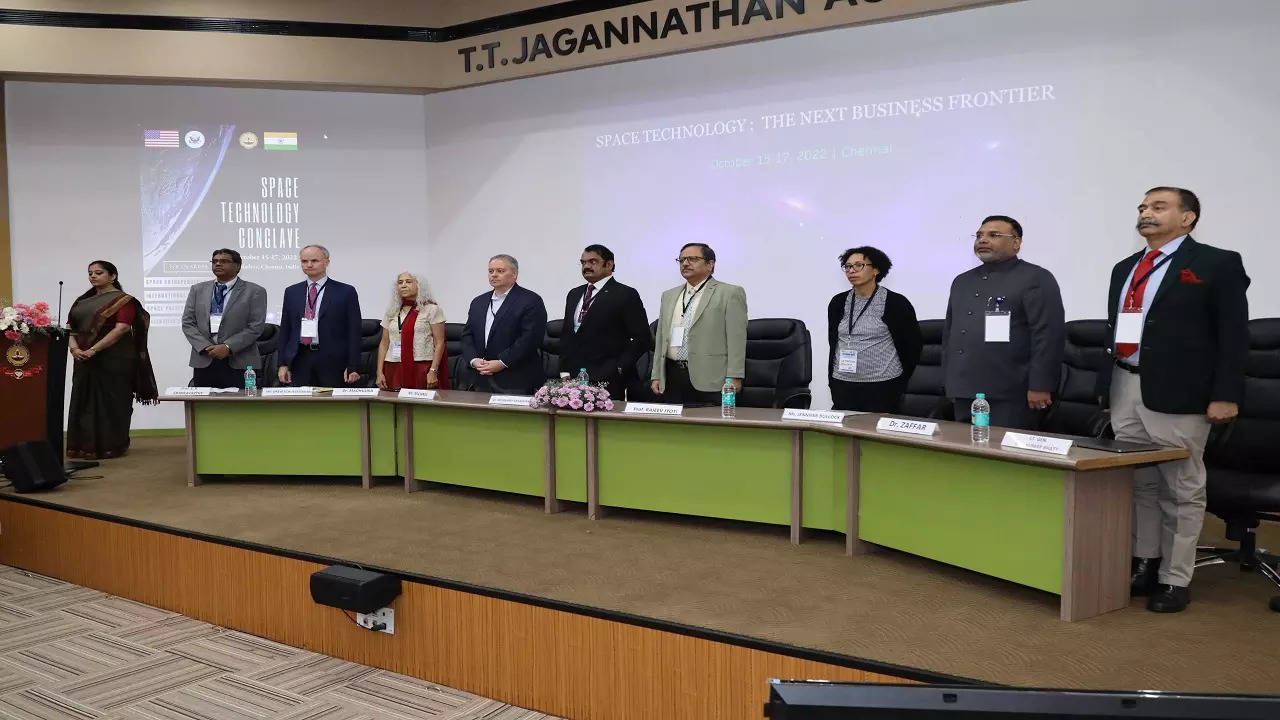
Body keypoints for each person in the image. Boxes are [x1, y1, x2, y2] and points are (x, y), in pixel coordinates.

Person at [1097, 187, 1249, 613]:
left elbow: (1233, 336)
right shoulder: (1126, 267)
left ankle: (1175, 577)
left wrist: (1225, 395)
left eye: (1158, 206)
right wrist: (1105, 389)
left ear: (1188, 218)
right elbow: (1115, 331)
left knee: (1181, 488)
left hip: (1181, 394)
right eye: (1143, 207)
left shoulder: (1216, 263)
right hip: (1125, 386)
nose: (1146, 213)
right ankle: (1145, 562)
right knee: (1141, 484)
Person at [942, 215, 1065, 429]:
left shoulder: (1036, 278)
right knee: (966, 455)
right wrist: (950, 383)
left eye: (994, 235)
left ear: (1016, 243)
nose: (983, 239)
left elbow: (1047, 335)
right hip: (964, 390)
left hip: (1012, 391)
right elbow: (950, 334)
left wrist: (1041, 385)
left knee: (1004, 456)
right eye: (979, 235)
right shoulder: (962, 281)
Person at [65, 260, 158, 459]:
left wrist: (93, 350)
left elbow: (121, 328)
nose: (93, 276)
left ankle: (111, 446)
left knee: (112, 402)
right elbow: (69, 328)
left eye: (98, 272)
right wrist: (74, 348)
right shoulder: (82, 301)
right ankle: (83, 446)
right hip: (83, 358)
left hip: (114, 359)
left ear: (113, 276)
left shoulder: (124, 300)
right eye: (90, 273)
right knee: (83, 400)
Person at [651, 243, 748, 407]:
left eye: (693, 259)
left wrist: (735, 376)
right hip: (672, 375)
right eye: (681, 260)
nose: (685, 263)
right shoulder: (668, 295)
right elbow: (661, 338)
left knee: (709, 428)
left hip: (710, 377)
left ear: (710, 264)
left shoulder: (730, 293)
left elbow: (736, 339)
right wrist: (657, 374)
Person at [827, 246, 922, 413]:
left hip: (882, 386)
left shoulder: (896, 303)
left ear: (876, 270)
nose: (852, 271)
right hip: (843, 384)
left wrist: (900, 381)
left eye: (859, 265)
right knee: (845, 437)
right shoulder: (838, 302)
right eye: (848, 266)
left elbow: (912, 347)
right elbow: (834, 341)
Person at [558, 244, 652, 400]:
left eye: (593, 261)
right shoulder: (574, 294)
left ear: (609, 265)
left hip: (609, 378)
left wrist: (619, 367)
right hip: (574, 377)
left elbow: (641, 337)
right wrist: (564, 370)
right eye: (583, 262)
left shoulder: (625, 294)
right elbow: (568, 335)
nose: (586, 266)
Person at [460, 254, 548, 395]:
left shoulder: (530, 301)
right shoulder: (478, 302)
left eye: (500, 271)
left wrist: (502, 362)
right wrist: (474, 359)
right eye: (491, 271)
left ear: (514, 274)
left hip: (515, 379)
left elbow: (530, 339)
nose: (494, 275)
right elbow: (467, 335)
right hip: (480, 379)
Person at [277, 245, 362, 387]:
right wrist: (283, 363)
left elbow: (354, 331)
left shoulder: (345, 291)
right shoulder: (291, 292)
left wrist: (354, 365)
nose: (309, 265)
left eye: (314, 260)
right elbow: (286, 329)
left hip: (332, 360)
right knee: (301, 406)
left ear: (326, 262)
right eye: (304, 261)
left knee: (332, 407)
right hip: (300, 358)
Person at [181, 248, 267, 388]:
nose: (218, 264)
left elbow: (255, 326)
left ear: (238, 266)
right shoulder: (197, 290)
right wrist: (206, 346)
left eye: (224, 261)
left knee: (238, 407)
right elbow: (188, 323)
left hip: (239, 361)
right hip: (205, 358)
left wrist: (228, 347)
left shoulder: (255, 291)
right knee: (205, 408)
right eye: (214, 261)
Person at [376, 272, 449, 391]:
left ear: (419, 285)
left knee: (421, 406)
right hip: (393, 366)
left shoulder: (431, 309)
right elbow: (384, 344)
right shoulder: (392, 311)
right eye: (400, 282)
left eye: (408, 282)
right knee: (394, 406)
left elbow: (440, 342)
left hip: (421, 366)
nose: (403, 285)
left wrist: (433, 371)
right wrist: (379, 372)